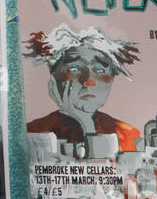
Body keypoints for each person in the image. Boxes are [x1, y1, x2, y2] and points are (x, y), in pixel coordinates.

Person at [24, 24, 140, 153]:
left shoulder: (127, 135)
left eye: (100, 71)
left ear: (112, 78)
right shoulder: (32, 132)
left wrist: (86, 122)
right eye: (75, 69)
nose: (88, 81)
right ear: (54, 78)